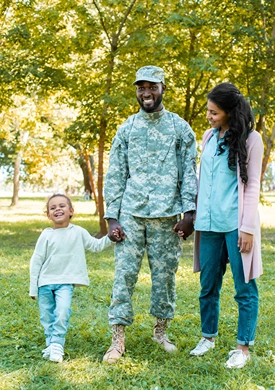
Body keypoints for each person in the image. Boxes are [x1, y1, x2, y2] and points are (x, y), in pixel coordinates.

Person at [102, 65, 197, 364]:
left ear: (163, 89)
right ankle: (117, 340)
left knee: (165, 278)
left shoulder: (180, 128)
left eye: (151, 87)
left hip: (168, 218)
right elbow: (115, 174)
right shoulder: (126, 128)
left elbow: (189, 174)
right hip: (130, 215)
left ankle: (160, 332)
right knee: (123, 277)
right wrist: (111, 218)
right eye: (141, 87)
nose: (146, 92)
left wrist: (189, 212)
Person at [188, 82, 263, 369]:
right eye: (208, 111)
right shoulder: (208, 136)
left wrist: (247, 228)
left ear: (230, 112)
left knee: (244, 287)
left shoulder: (252, 139)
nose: (208, 116)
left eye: (214, 112)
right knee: (208, 284)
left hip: (235, 223)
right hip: (209, 224)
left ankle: (242, 347)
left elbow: (253, 183)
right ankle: (208, 337)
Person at [29, 193, 114, 363]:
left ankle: (57, 344)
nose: (57, 209)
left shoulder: (78, 232)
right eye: (52, 208)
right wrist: (33, 287)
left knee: (62, 312)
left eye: (61, 206)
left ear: (71, 211)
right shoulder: (46, 235)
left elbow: (95, 246)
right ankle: (51, 344)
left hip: (65, 283)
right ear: (48, 215)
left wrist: (110, 238)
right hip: (45, 283)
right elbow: (36, 261)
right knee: (46, 316)